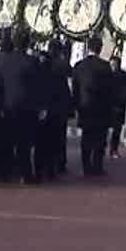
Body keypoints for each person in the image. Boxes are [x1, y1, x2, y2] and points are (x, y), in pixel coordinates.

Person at [0, 30, 41, 184]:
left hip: (7, 106)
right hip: (26, 107)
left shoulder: (2, 61)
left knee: (6, 141)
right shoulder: (32, 62)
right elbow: (36, 87)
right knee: (23, 144)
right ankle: (25, 174)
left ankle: (4, 172)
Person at [72, 43, 115, 177]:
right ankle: (98, 166)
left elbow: (75, 88)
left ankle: (86, 166)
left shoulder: (79, 66)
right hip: (102, 107)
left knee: (86, 138)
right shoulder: (105, 66)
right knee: (100, 138)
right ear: (100, 48)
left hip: (85, 106)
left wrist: (77, 105)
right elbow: (110, 89)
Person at [37, 44, 73, 181]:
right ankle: (54, 168)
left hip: (42, 112)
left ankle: (40, 169)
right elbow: (65, 94)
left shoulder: (37, 74)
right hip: (56, 112)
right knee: (55, 142)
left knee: (42, 143)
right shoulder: (58, 73)